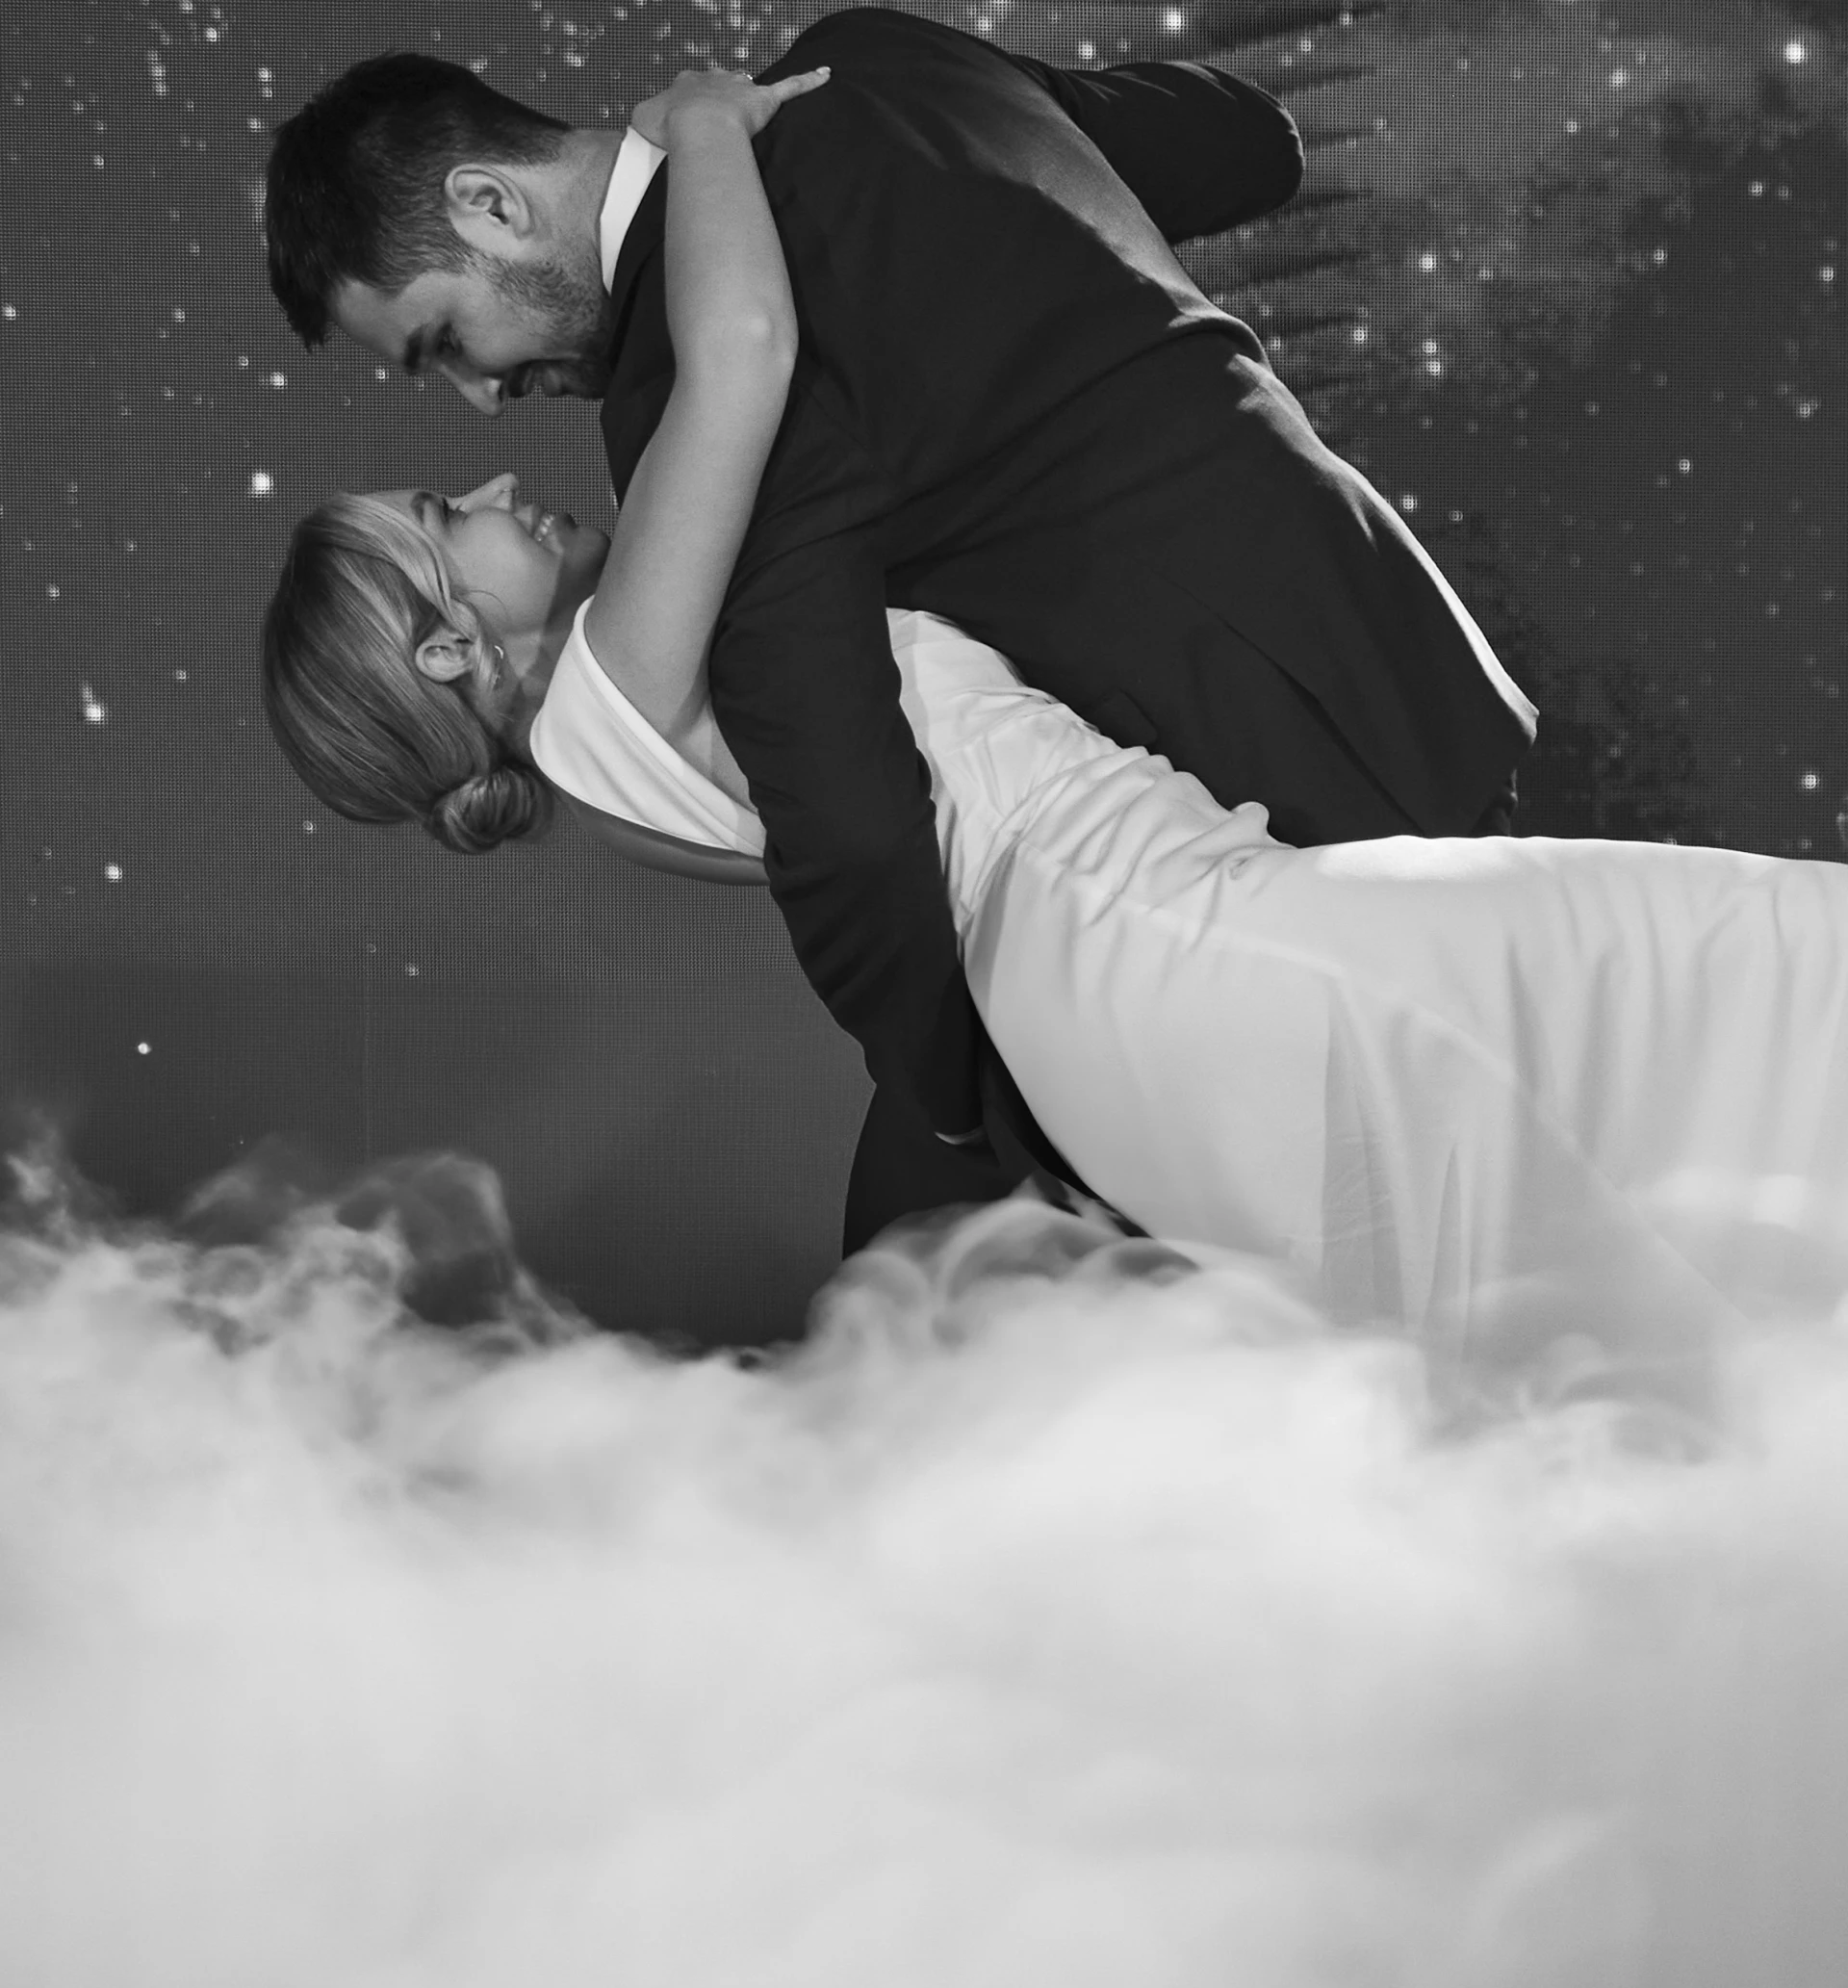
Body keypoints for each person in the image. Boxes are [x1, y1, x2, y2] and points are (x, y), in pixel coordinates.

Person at [263, 65, 1848, 1361]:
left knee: (1620, 1175)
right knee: (1715, 1021)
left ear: (490, 206)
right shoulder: (629, 636)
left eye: (444, 347)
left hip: (1156, 925)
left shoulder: (655, 572)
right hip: (1185, 916)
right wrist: (706, 124)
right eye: (444, 500)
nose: (483, 425)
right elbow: (759, 351)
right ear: (451, 653)